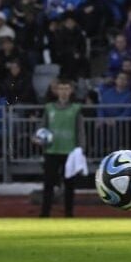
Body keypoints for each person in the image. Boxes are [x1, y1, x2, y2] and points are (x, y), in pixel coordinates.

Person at [38, 79, 83, 217]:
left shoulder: (76, 109)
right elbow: (42, 128)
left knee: (70, 185)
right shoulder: (49, 108)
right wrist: (38, 139)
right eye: (61, 88)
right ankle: (45, 213)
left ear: (71, 91)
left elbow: (80, 131)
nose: (63, 92)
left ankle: (69, 213)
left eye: (66, 88)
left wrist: (80, 149)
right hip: (51, 151)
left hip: (70, 152)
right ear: (56, 91)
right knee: (48, 184)